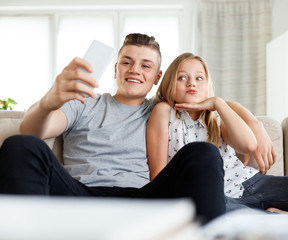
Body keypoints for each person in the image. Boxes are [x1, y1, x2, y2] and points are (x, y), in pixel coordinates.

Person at [0, 33, 226, 224]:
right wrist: (48, 102)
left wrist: (246, 117)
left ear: (157, 77)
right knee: (20, 144)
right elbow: (32, 131)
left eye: (145, 65)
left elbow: (202, 99)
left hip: (142, 199)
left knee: (203, 152)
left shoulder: (162, 111)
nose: (135, 70)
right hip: (80, 195)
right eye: (127, 62)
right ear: (116, 69)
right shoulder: (84, 101)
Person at [147, 52, 288, 215]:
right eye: (182, 78)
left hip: (253, 183)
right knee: (214, 210)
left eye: (199, 78)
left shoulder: (215, 118)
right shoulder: (164, 111)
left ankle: (268, 213)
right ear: (169, 83)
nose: (192, 83)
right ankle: (269, 215)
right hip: (216, 198)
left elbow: (248, 145)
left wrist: (219, 103)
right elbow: (159, 177)